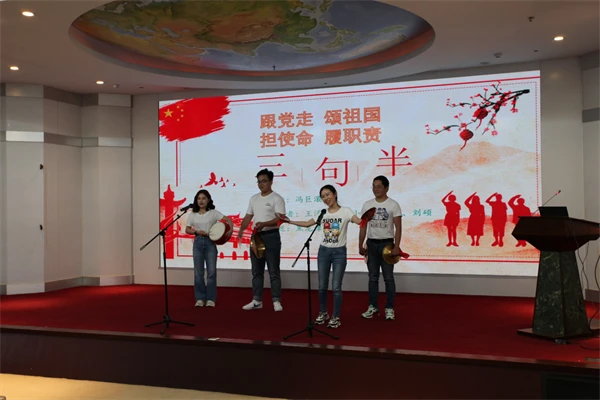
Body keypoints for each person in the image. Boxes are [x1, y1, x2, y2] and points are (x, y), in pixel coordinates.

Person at [285, 185, 361, 328]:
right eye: (323, 196)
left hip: (339, 253)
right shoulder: (323, 213)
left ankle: (336, 316)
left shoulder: (346, 211)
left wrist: (368, 219)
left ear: (335, 194)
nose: (326, 198)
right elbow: (307, 224)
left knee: (336, 287)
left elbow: (359, 221)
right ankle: (323, 312)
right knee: (321, 286)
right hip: (324, 252)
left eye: (328, 194)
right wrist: (289, 221)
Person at [238, 169, 286, 311]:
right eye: (259, 182)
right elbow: (248, 217)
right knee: (256, 270)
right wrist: (241, 230)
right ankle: (257, 300)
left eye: (264, 181)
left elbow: (280, 219)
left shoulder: (277, 198)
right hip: (256, 237)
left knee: (273, 270)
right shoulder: (254, 198)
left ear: (271, 181)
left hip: (272, 236)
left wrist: (264, 224)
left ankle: (276, 301)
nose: (261, 184)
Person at [359, 176, 403, 321]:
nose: (375, 189)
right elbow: (363, 226)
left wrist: (397, 246)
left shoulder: (393, 205)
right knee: (373, 278)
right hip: (371, 244)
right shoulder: (367, 205)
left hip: (387, 245)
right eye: (373, 186)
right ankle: (373, 306)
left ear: (386, 188)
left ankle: (389, 308)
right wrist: (360, 244)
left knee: (388, 278)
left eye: (378, 186)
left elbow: (398, 227)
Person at [184, 189, 233, 307]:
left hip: (210, 243)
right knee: (198, 273)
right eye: (199, 198)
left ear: (208, 200)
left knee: (211, 272)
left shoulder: (213, 213)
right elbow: (187, 229)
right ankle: (200, 298)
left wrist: (230, 230)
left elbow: (228, 220)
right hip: (197, 242)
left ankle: (211, 298)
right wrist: (196, 231)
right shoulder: (193, 214)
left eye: (203, 198)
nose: (201, 201)